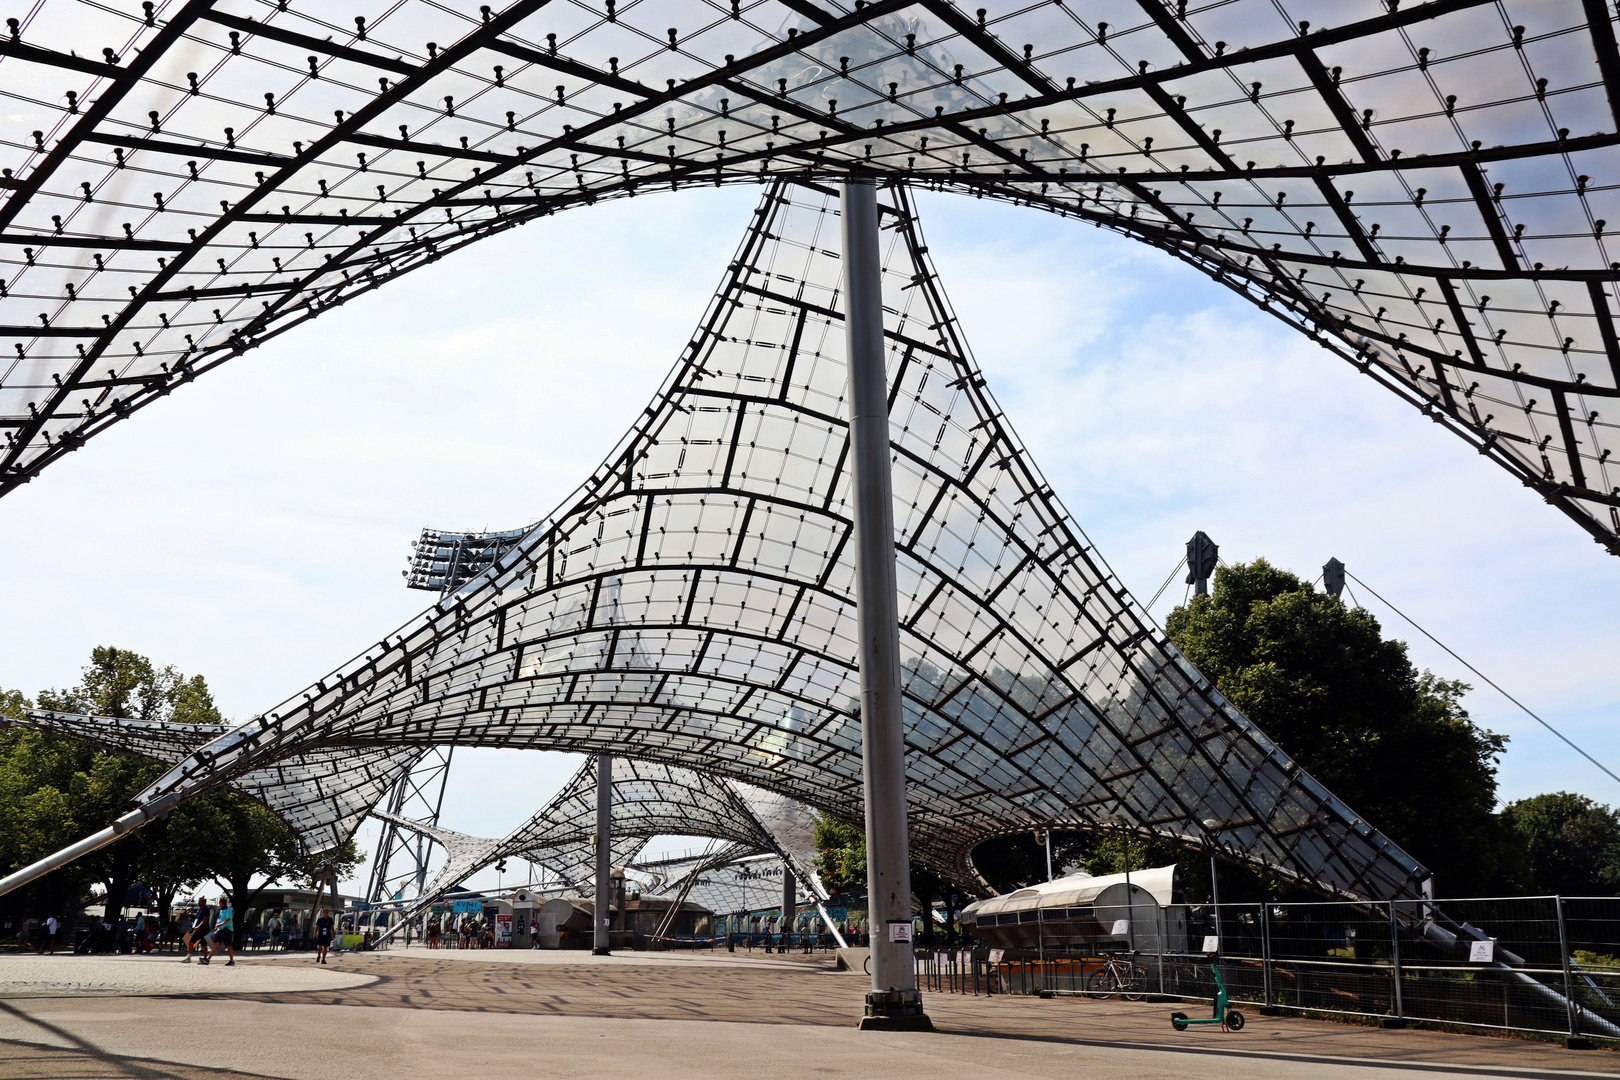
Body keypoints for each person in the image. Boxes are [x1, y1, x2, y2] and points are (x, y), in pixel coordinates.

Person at [211, 896, 236, 966]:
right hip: (220, 929)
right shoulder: (221, 910)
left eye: (219, 902)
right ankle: (208, 958)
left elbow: (228, 919)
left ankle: (231, 960)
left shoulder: (228, 909)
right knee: (215, 943)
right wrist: (217, 926)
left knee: (229, 945)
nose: (219, 904)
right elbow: (220, 919)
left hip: (227, 929)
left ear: (222, 902)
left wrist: (220, 924)